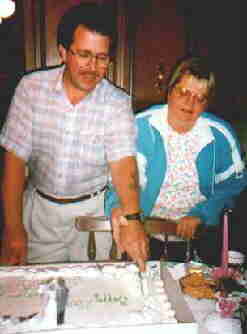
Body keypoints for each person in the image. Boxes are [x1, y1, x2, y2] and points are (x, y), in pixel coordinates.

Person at [0, 3, 148, 269]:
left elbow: (124, 166)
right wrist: (13, 228)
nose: (92, 67)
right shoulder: (31, 89)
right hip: (40, 214)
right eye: (84, 54)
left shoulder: (117, 102)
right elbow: (14, 161)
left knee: (95, 299)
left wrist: (134, 219)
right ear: (63, 52)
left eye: (102, 57)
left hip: (93, 214)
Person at [106, 56, 247, 265]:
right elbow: (122, 180)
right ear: (170, 90)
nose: (190, 103)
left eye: (200, 98)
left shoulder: (221, 135)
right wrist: (122, 210)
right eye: (184, 92)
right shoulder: (140, 127)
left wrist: (203, 214)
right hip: (147, 231)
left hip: (200, 235)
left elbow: (233, 184)